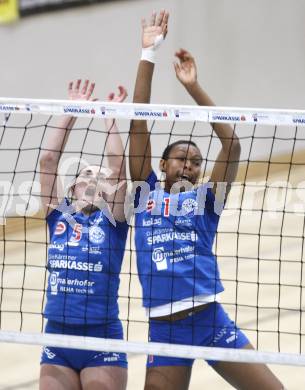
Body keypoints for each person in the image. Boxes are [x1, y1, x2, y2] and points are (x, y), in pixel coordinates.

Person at [129, 10, 284, 390]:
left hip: (210, 321)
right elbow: (137, 121)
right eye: (182, 159)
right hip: (166, 331)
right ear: (163, 164)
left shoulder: (205, 202)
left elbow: (231, 144)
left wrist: (193, 87)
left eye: (197, 163)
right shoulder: (143, 192)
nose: (190, 167)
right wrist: (148, 54)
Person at [39, 79, 128, 390]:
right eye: (86, 174)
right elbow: (48, 161)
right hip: (58, 336)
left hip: (101, 337)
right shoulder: (57, 216)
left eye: (100, 177)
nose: (94, 179)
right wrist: (71, 110)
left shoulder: (113, 222)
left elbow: (118, 168)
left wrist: (109, 115)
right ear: (73, 187)